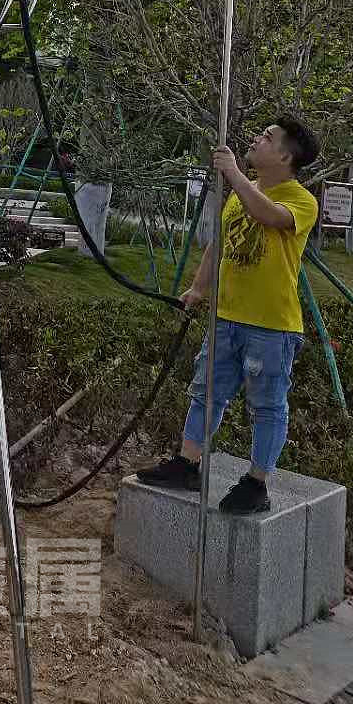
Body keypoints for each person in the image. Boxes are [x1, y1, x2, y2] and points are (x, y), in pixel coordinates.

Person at [138, 116, 319, 514]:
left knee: (268, 405)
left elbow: (269, 216)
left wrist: (234, 173)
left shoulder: (301, 200)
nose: (257, 138)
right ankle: (187, 462)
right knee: (206, 391)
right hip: (227, 318)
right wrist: (199, 288)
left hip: (271, 326)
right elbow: (218, 244)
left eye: (267, 138)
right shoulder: (241, 191)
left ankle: (257, 482)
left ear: (286, 155)